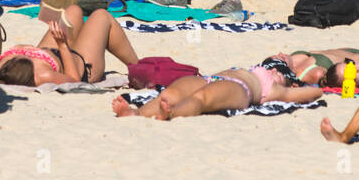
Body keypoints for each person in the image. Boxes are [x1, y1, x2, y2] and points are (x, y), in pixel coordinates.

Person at [113, 57, 323, 119]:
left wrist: (317, 89)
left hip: (239, 89)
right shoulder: (259, 69)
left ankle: (171, 113)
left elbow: (312, 92)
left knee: (201, 99)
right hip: (210, 78)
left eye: (280, 74)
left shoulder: (277, 90)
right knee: (170, 93)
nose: (275, 72)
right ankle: (136, 113)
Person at [0, 3, 139, 88]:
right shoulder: (44, 75)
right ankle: (140, 69)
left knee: (73, 11)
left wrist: (21, 48)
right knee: (101, 16)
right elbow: (74, 80)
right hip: (81, 65)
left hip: (49, 53)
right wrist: (62, 45)